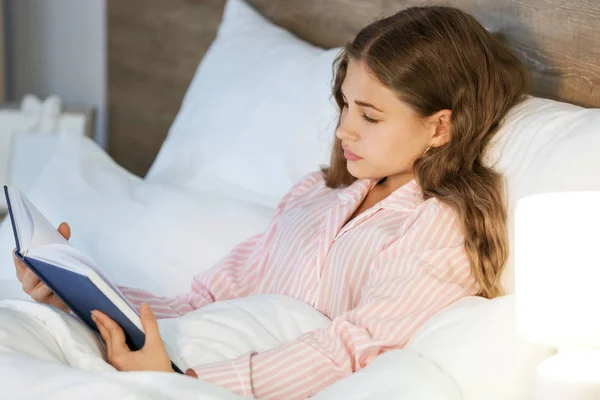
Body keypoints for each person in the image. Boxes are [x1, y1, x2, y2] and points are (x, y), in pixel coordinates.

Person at [13, 5, 530, 400]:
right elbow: (204, 303)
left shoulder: (436, 223)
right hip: (182, 360)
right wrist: (78, 294)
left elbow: (359, 347)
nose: (345, 128)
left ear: (441, 126)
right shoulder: (316, 194)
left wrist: (186, 381)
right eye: (345, 104)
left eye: (370, 117)